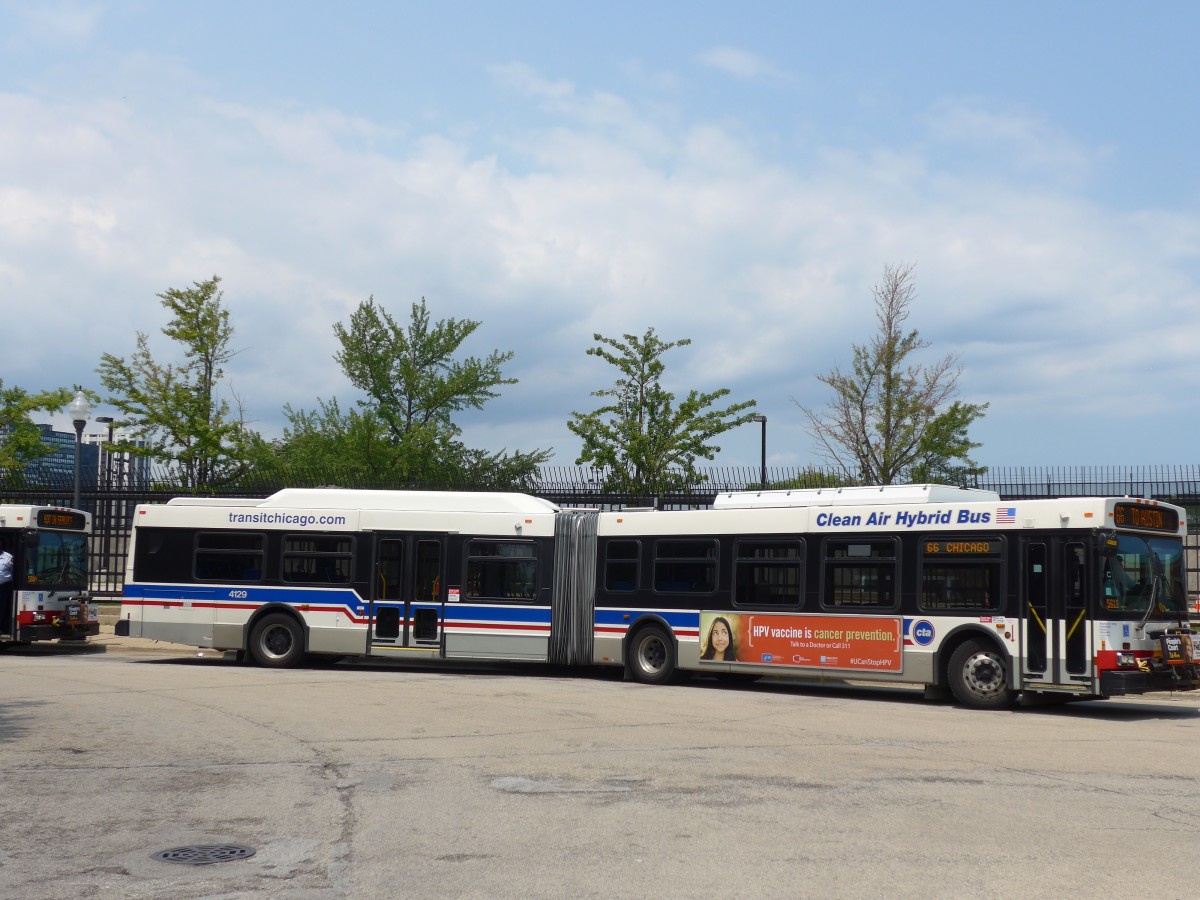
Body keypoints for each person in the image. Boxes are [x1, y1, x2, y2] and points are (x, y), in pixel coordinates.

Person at [0, 537, 14, 635]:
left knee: (2, 608)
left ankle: (1, 628)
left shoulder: (8, 557)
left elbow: (14, 571)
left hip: (3, 587)